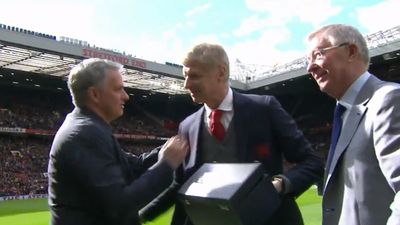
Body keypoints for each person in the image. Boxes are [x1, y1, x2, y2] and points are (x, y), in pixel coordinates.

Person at [140, 43, 324, 225]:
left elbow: (312, 162)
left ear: (220, 72)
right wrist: (141, 215)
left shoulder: (264, 108)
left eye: (194, 76)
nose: (186, 84)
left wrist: (280, 185)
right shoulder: (187, 126)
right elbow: (180, 184)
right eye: (185, 76)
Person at [47, 58, 188, 225]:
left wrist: (173, 146)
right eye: (118, 89)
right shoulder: (84, 134)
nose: (126, 96)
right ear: (94, 94)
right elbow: (120, 206)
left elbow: (133, 166)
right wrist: (166, 165)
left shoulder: (88, 127)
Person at [305, 24, 400, 225]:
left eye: (318, 54)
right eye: (308, 60)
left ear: (350, 51)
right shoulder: (345, 113)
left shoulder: (389, 100)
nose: (310, 67)